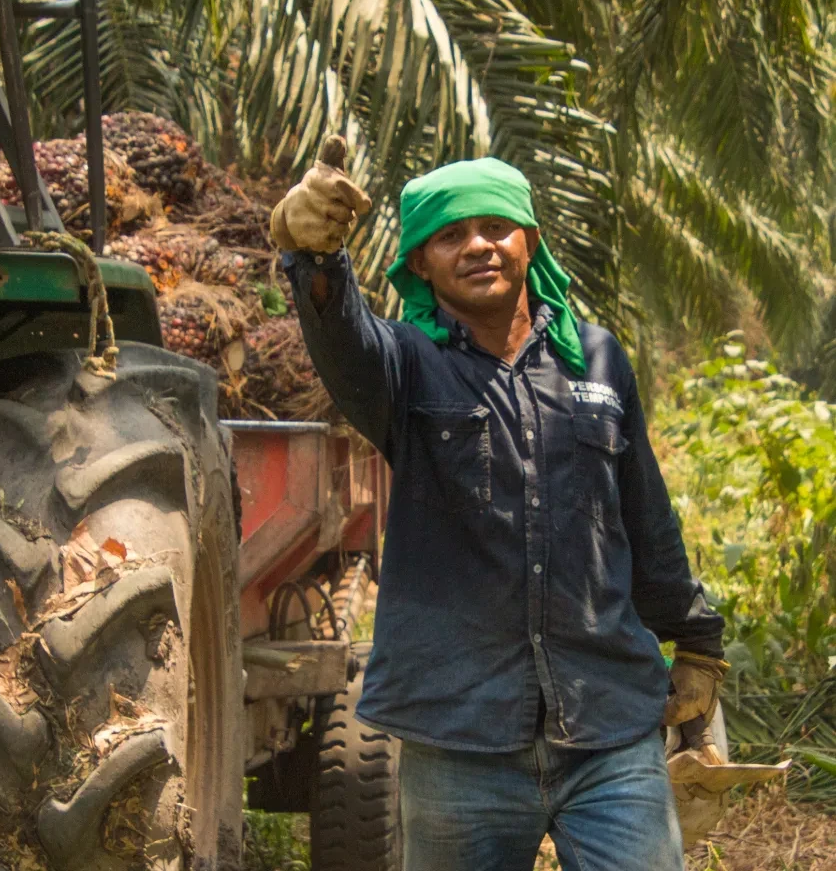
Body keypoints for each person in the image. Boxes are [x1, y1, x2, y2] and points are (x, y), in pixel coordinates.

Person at [271, 143, 729, 871]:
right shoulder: (404, 365)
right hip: (460, 737)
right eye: (451, 235)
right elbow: (344, 340)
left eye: (495, 227)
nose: (478, 246)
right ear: (419, 263)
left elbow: (644, 516)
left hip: (607, 723)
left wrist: (698, 641)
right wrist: (316, 260)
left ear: (530, 241)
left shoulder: (598, 358)